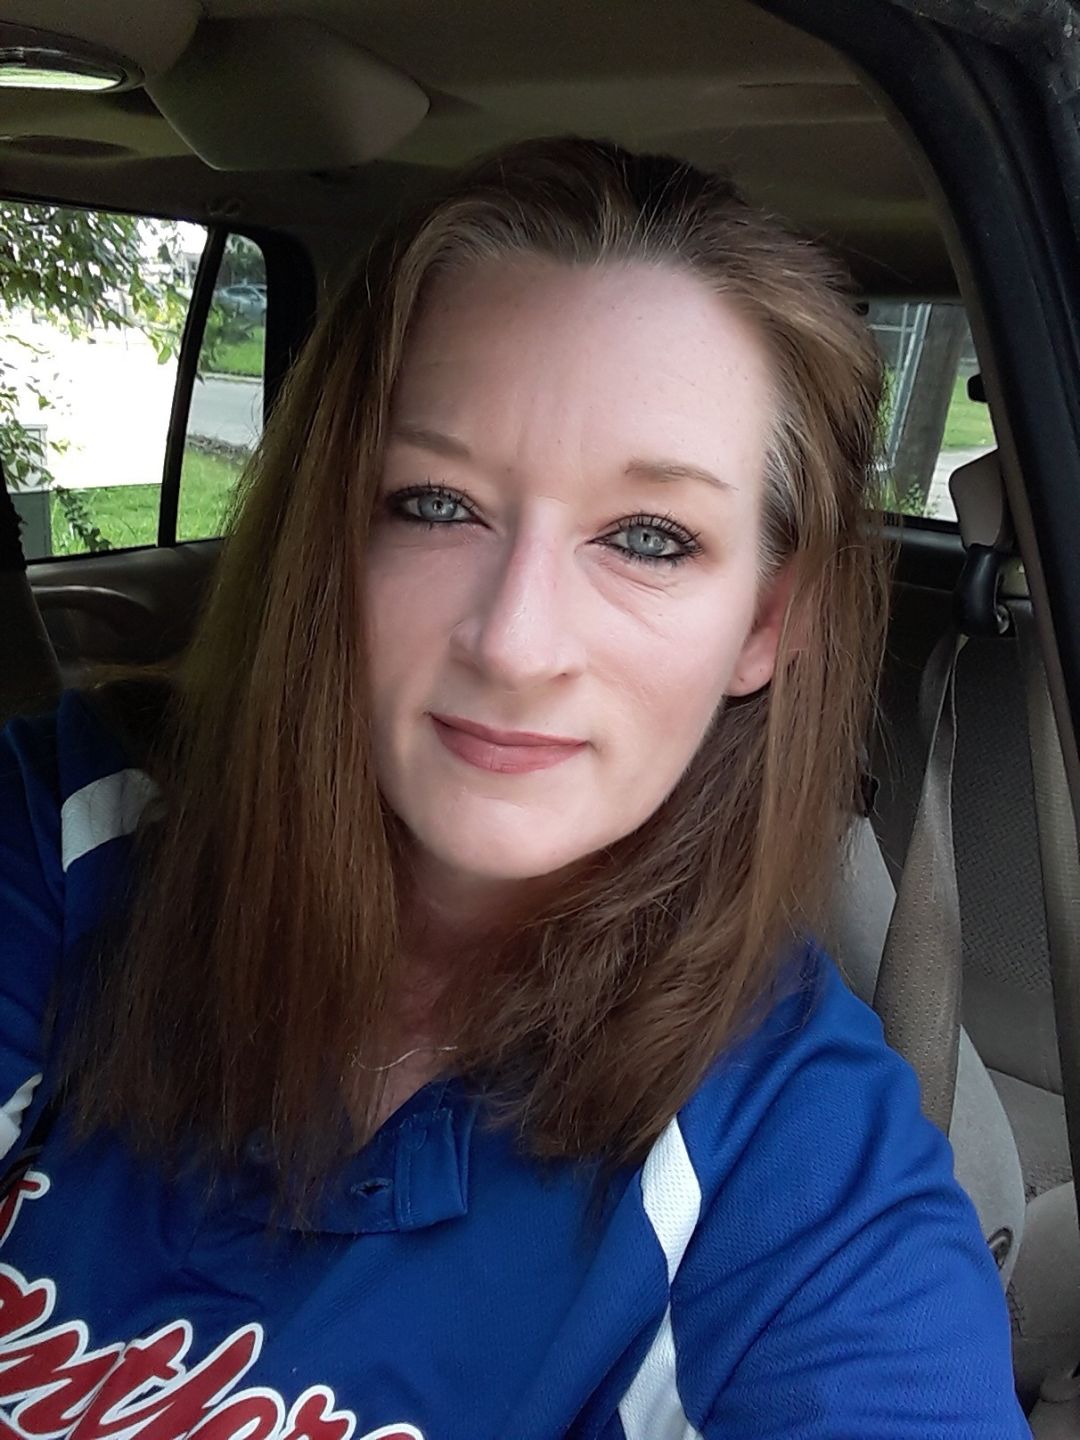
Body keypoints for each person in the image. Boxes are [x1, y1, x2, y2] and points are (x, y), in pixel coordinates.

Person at [0, 137, 1028, 1439]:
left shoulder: (796, 1170)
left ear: (769, 623)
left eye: (648, 538)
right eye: (436, 503)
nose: (515, 641)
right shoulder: (69, 827)